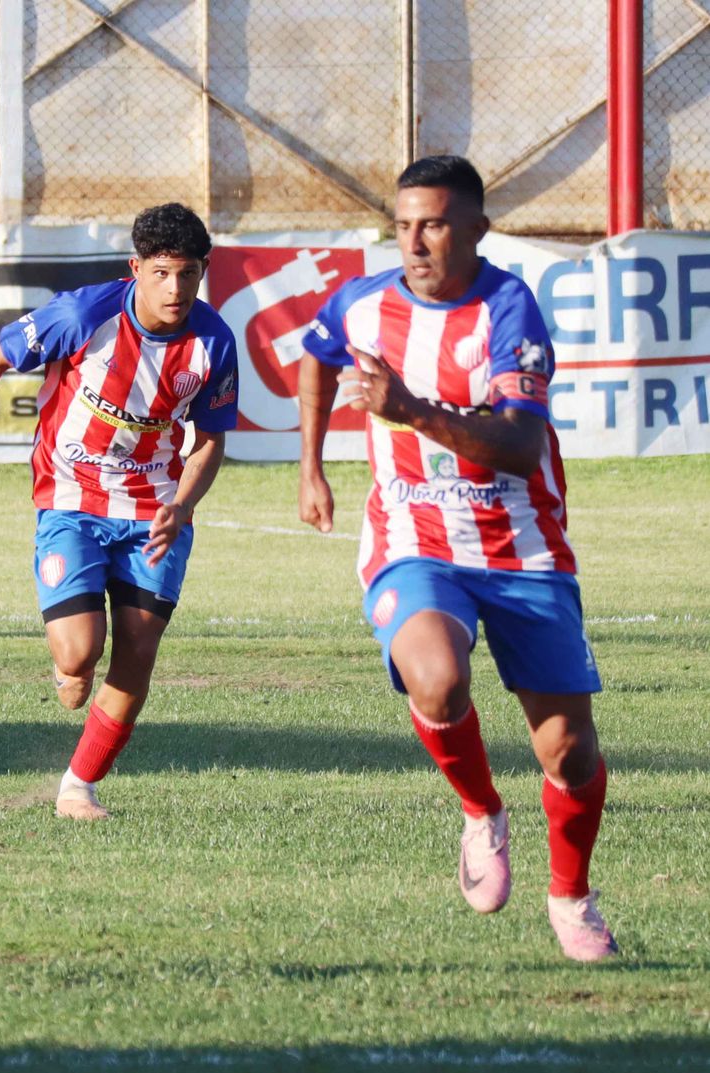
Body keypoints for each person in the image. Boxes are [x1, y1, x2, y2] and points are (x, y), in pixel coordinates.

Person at [297, 155, 616, 962]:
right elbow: (316, 352)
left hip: (523, 548)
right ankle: (482, 811)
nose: (414, 241)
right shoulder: (364, 304)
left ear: (476, 228)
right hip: (413, 539)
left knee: (569, 751)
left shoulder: (509, 310)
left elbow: (518, 444)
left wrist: (410, 409)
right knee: (437, 677)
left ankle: (571, 896)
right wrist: (311, 469)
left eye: (434, 223)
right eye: (403, 225)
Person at [0, 203, 238, 820]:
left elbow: (210, 440)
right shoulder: (83, 315)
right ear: (136, 268)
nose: (176, 289)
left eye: (189, 274)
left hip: (155, 510)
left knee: (138, 652)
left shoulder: (213, 342)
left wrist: (184, 503)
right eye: (163, 273)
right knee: (76, 656)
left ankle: (77, 787)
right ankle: (73, 664)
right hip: (72, 496)